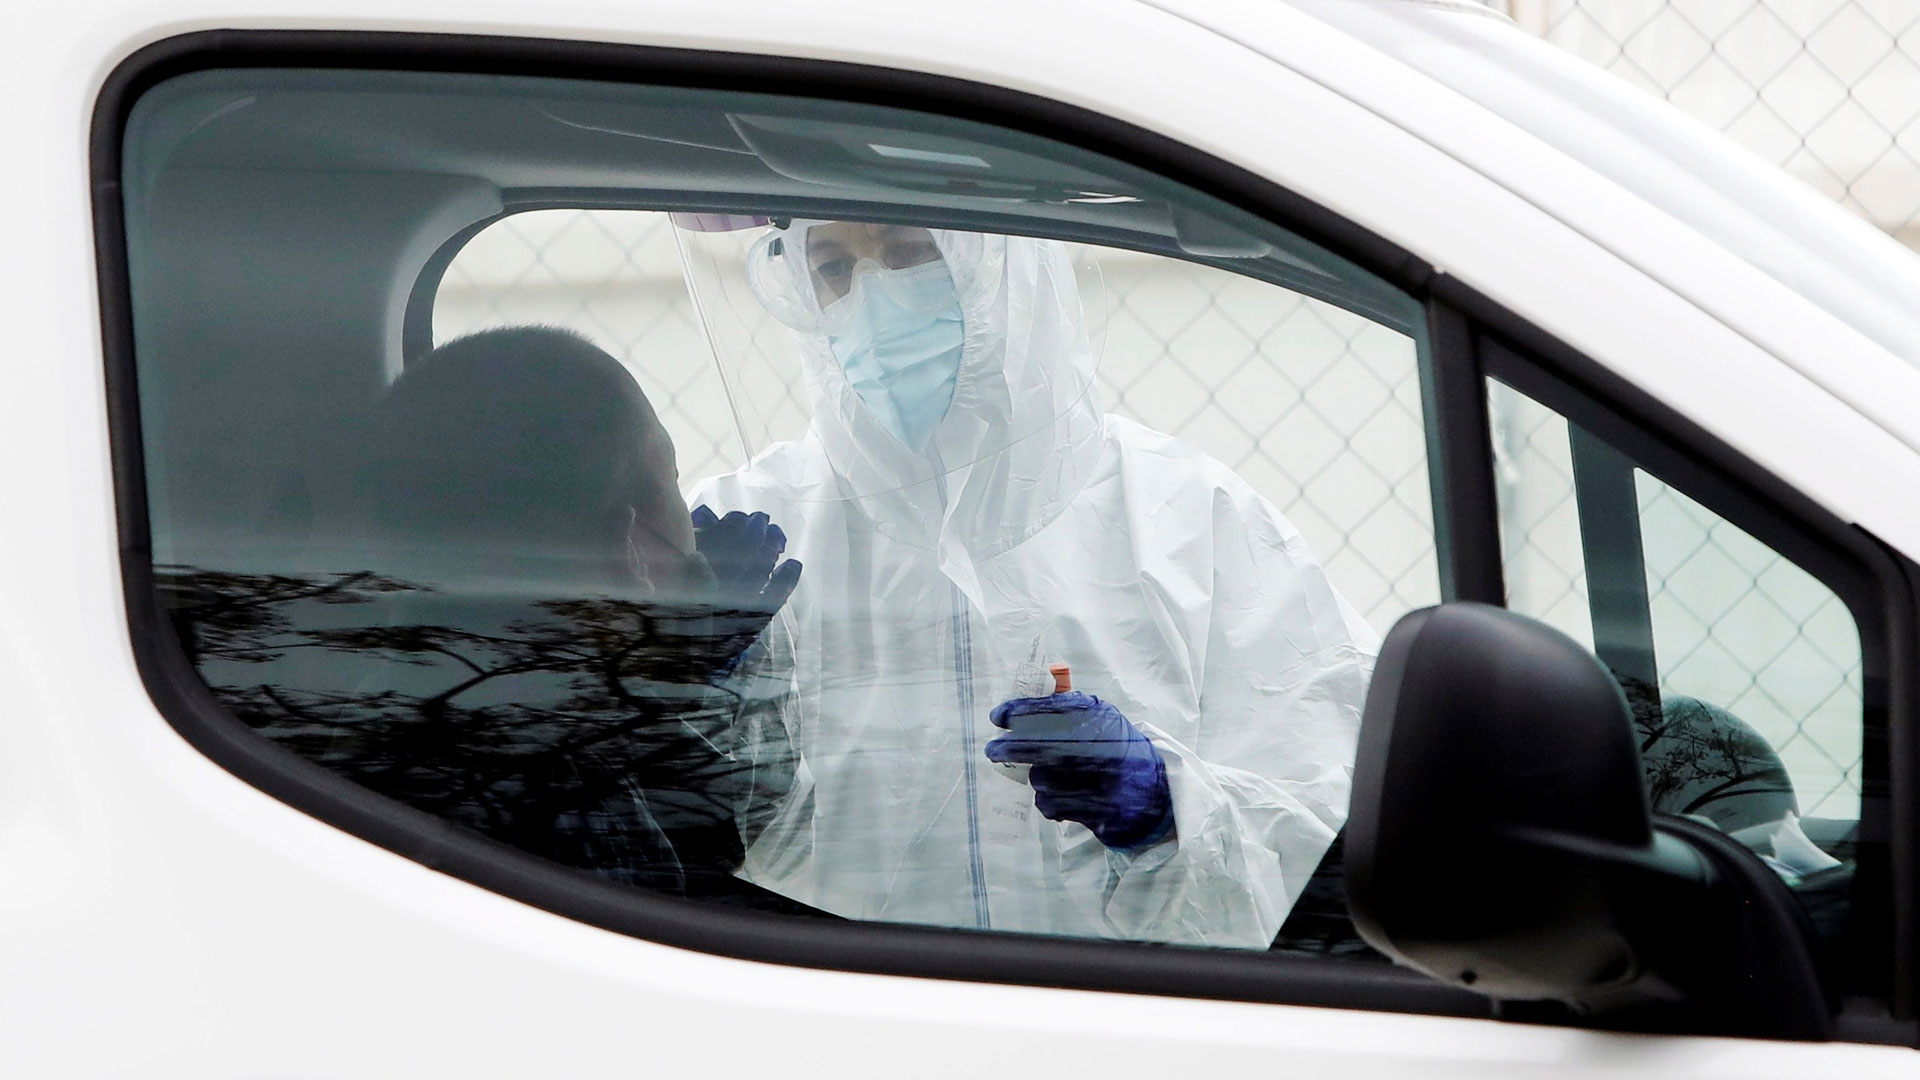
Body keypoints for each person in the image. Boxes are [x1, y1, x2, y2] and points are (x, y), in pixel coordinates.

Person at [688, 220, 1378, 948]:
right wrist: (690, 696)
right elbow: (666, 844)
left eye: (912, 253)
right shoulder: (746, 533)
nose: (870, 300)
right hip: (835, 1010)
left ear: (1007, 260)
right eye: (832, 268)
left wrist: (1166, 812)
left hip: (1120, 1014)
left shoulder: (1188, 518)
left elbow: (1342, 844)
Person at [182, 326, 814, 912]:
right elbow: (708, 861)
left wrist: (660, 674)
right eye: (670, 476)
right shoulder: (549, 786)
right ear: (631, 544)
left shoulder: (406, 710)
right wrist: (682, 675)